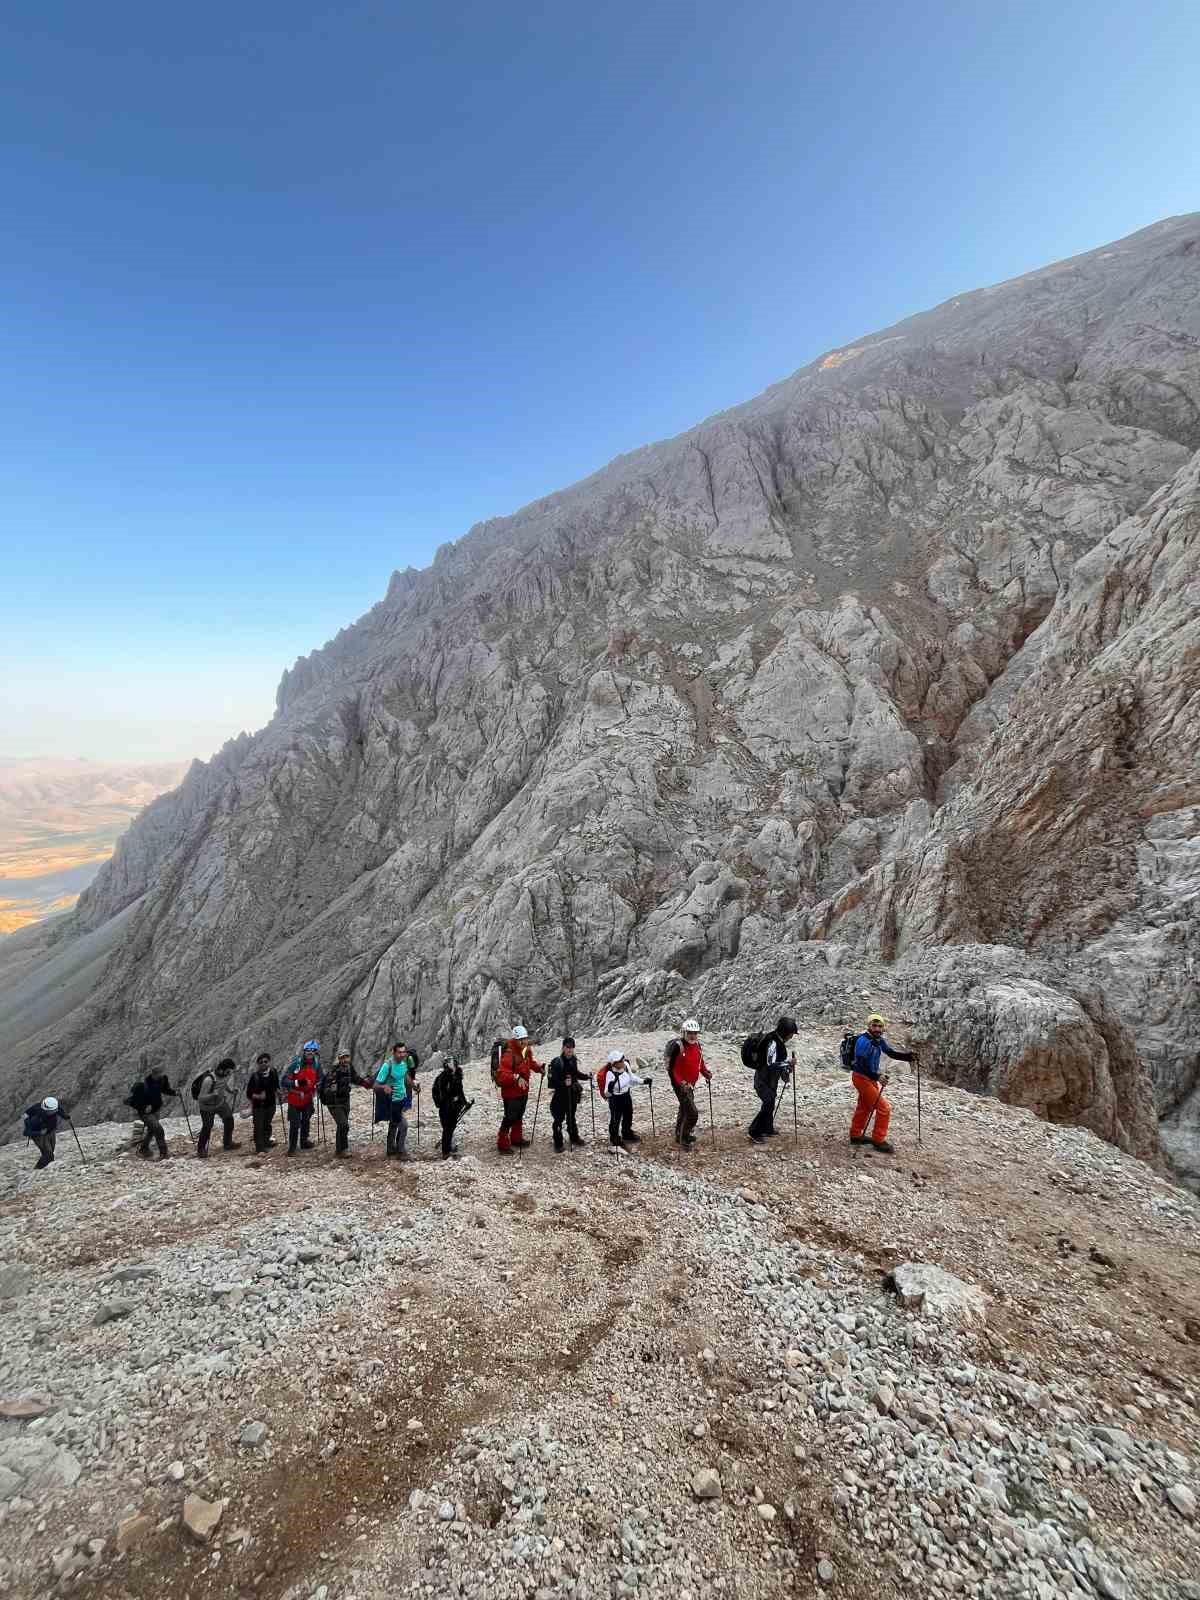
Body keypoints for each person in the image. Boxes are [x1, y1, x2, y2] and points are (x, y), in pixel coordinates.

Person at [850, 1014, 915, 1155]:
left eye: (880, 1026)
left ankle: (855, 1135)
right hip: (861, 1077)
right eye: (874, 1025)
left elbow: (890, 1053)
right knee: (884, 1108)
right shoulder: (863, 1041)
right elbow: (860, 1063)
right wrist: (877, 1076)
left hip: (868, 1078)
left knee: (865, 1106)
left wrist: (908, 1056)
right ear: (868, 1026)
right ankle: (878, 1140)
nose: (877, 1029)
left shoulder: (878, 1040)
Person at [748, 1016, 798, 1145]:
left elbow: (778, 1063)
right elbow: (771, 1064)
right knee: (768, 1103)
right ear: (786, 1032)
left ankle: (767, 1129)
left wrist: (786, 1071)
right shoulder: (772, 1042)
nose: (792, 1036)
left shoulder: (778, 1041)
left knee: (770, 1103)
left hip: (770, 1080)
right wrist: (787, 1063)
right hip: (763, 1080)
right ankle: (754, 1132)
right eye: (791, 1033)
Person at [495, 1026, 544, 1154]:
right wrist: (516, 1078)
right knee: (510, 1117)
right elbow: (501, 1075)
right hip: (511, 1093)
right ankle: (502, 1144)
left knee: (519, 1115)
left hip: (523, 1091)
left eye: (525, 1039)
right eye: (521, 1040)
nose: (524, 1042)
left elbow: (530, 1063)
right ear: (515, 1040)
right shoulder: (509, 1054)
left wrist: (539, 1068)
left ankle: (516, 1139)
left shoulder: (526, 1050)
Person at [664, 1018, 711, 1149]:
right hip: (681, 1085)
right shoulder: (678, 1046)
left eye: (695, 1033)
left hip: (691, 1084)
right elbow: (673, 1070)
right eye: (690, 1032)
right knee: (692, 1113)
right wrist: (681, 1084)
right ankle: (683, 1137)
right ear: (684, 1032)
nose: (693, 1035)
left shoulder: (697, 1045)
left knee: (684, 1109)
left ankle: (679, 1133)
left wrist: (706, 1073)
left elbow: (699, 1062)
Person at [322, 1050, 372, 1157]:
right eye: (342, 1057)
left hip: (345, 1101)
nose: (345, 1060)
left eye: (347, 1057)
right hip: (334, 1103)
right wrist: (333, 1090)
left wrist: (367, 1084)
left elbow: (356, 1079)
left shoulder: (349, 1068)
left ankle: (339, 1151)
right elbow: (327, 1089)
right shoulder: (334, 1071)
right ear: (339, 1059)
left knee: (341, 1126)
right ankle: (343, 1149)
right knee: (344, 1125)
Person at [547, 1037, 589, 1151]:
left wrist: (586, 1076)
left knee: (571, 1117)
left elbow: (575, 1073)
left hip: (572, 1094)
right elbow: (553, 1082)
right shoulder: (557, 1062)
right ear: (563, 1047)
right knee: (558, 1119)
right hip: (560, 1096)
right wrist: (564, 1083)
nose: (570, 1049)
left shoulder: (573, 1059)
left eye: (572, 1047)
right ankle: (558, 1142)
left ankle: (574, 1137)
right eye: (567, 1047)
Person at [600, 1051, 649, 1149]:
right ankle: (614, 1138)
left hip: (626, 1094)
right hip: (615, 1099)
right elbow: (606, 1093)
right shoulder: (610, 1074)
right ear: (614, 1063)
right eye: (620, 1061)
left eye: (623, 1059)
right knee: (615, 1119)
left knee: (628, 1114)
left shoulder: (626, 1065)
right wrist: (610, 1089)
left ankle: (627, 1133)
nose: (623, 1061)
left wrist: (643, 1081)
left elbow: (632, 1077)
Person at [126, 1068, 177, 1160]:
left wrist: (174, 1092)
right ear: (153, 1074)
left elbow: (165, 1090)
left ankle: (143, 1149)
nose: (160, 1076)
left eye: (161, 1075)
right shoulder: (144, 1085)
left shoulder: (161, 1080)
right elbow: (137, 1101)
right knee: (159, 1130)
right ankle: (163, 1154)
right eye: (158, 1075)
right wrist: (145, 1107)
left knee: (151, 1130)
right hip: (145, 1113)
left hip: (156, 1110)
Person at [194, 1059, 240, 1158]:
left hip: (220, 1103)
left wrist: (231, 1091)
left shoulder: (225, 1075)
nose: (230, 1074)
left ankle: (227, 1144)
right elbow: (200, 1098)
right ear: (223, 1069)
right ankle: (201, 1149)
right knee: (207, 1126)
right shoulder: (209, 1080)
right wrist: (211, 1095)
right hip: (207, 1107)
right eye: (229, 1071)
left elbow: (223, 1084)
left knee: (229, 1119)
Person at [375, 1043, 414, 1159]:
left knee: (394, 1124)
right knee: (404, 1125)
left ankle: (391, 1150)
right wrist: (384, 1087)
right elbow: (375, 1085)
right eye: (399, 1052)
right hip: (391, 1101)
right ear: (394, 1052)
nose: (402, 1055)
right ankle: (401, 1152)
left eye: (404, 1052)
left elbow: (405, 1077)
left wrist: (413, 1085)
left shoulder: (403, 1064)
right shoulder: (387, 1066)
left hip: (401, 1099)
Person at [430, 1054, 471, 1159]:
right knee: (447, 1128)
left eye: (453, 1063)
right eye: (450, 1064)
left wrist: (464, 1103)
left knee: (451, 1127)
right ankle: (446, 1152)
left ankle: (448, 1147)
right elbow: (443, 1096)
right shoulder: (443, 1078)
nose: (452, 1066)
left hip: (454, 1106)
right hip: (446, 1108)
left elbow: (460, 1091)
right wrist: (452, 1102)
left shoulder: (457, 1076)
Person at [285, 1042, 322, 1148]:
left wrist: (318, 1085)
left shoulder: (317, 1065)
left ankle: (304, 1142)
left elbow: (321, 1078)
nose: (310, 1052)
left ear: (315, 1053)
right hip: (294, 1097)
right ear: (304, 1051)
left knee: (306, 1120)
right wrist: (296, 1083)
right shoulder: (296, 1064)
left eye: (313, 1051)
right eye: (308, 1050)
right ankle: (292, 1147)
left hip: (308, 1097)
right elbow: (284, 1080)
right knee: (294, 1123)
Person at [246, 1053, 280, 1153]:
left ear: (269, 1062)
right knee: (259, 1126)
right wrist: (258, 1096)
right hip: (259, 1106)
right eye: (261, 1062)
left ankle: (266, 1141)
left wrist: (278, 1091)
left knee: (267, 1124)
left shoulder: (273, 1072)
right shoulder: (255, 1077)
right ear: (258, 1064)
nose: (263, 1064)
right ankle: (259, 1147)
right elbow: (249, 1094)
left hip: (271, 1104)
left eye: (265, 1061)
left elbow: (276, 1085)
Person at [24, 1096, 70, 1170]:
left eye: (55, 1110)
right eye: (53, 1111)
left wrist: (65, 1116)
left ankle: (45, 1167)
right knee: (49, 1154)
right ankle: (37, 1169)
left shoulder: (52, 1107)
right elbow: (26, 1132)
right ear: (46, 1110)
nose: (55, 1112)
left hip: (50, 1131)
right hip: (39, 1136)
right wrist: (40, 1132)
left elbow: (58, 1110)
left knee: (50, 1151)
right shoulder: (36, 1118)